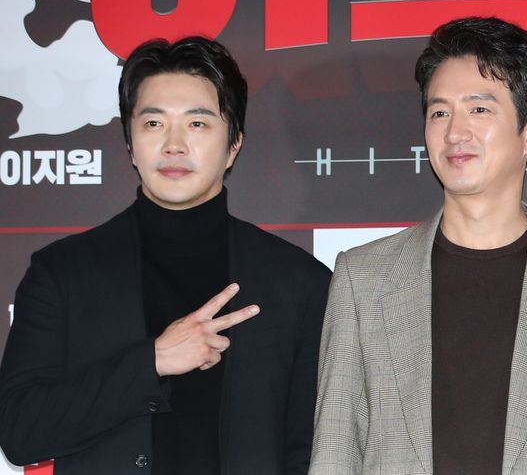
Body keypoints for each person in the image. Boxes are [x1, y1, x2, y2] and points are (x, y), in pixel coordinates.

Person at [310, 16, 527, 474]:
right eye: (440, 112)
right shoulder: (362, 280)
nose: (454, 133)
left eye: (479, 109)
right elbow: (334, 454)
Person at [0, 36, 331, 475]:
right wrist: (152, 362)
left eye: (197, 124)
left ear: (234, 145)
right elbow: (20, 431)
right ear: (129, 143)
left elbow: (315, 451)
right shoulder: (62, 272)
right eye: (154, 123)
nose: (174, 144)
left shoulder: (299, 282)